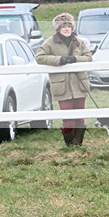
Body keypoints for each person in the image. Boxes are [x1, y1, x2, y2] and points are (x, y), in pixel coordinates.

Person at [35, 13, 93, 146]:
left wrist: (75, 59)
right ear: (58, 28)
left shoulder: (79, 42)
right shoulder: (49, 42)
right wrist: (59, 60)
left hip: (79, 85)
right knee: (68, 118)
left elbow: (89, 57)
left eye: (69, 26)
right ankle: (69, 145)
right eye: (63, 26)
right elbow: (39, 57)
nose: (67, 29)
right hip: (62, 87)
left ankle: (78, 145)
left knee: (79, 117)